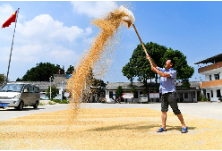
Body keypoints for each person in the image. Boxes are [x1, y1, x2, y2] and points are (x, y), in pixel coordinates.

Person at [146, 54, 188, 133]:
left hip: (170, 93)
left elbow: (162, 75)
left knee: (175, 110)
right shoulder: (163, 69)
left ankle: (183, 125)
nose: (165, 63)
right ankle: (163, 127)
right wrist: (150, 59)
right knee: (163, 110)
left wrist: (155, 70)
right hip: (163, 92)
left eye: (167, 63)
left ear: (171, 64)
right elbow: (155, 66)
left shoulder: (173, 72)